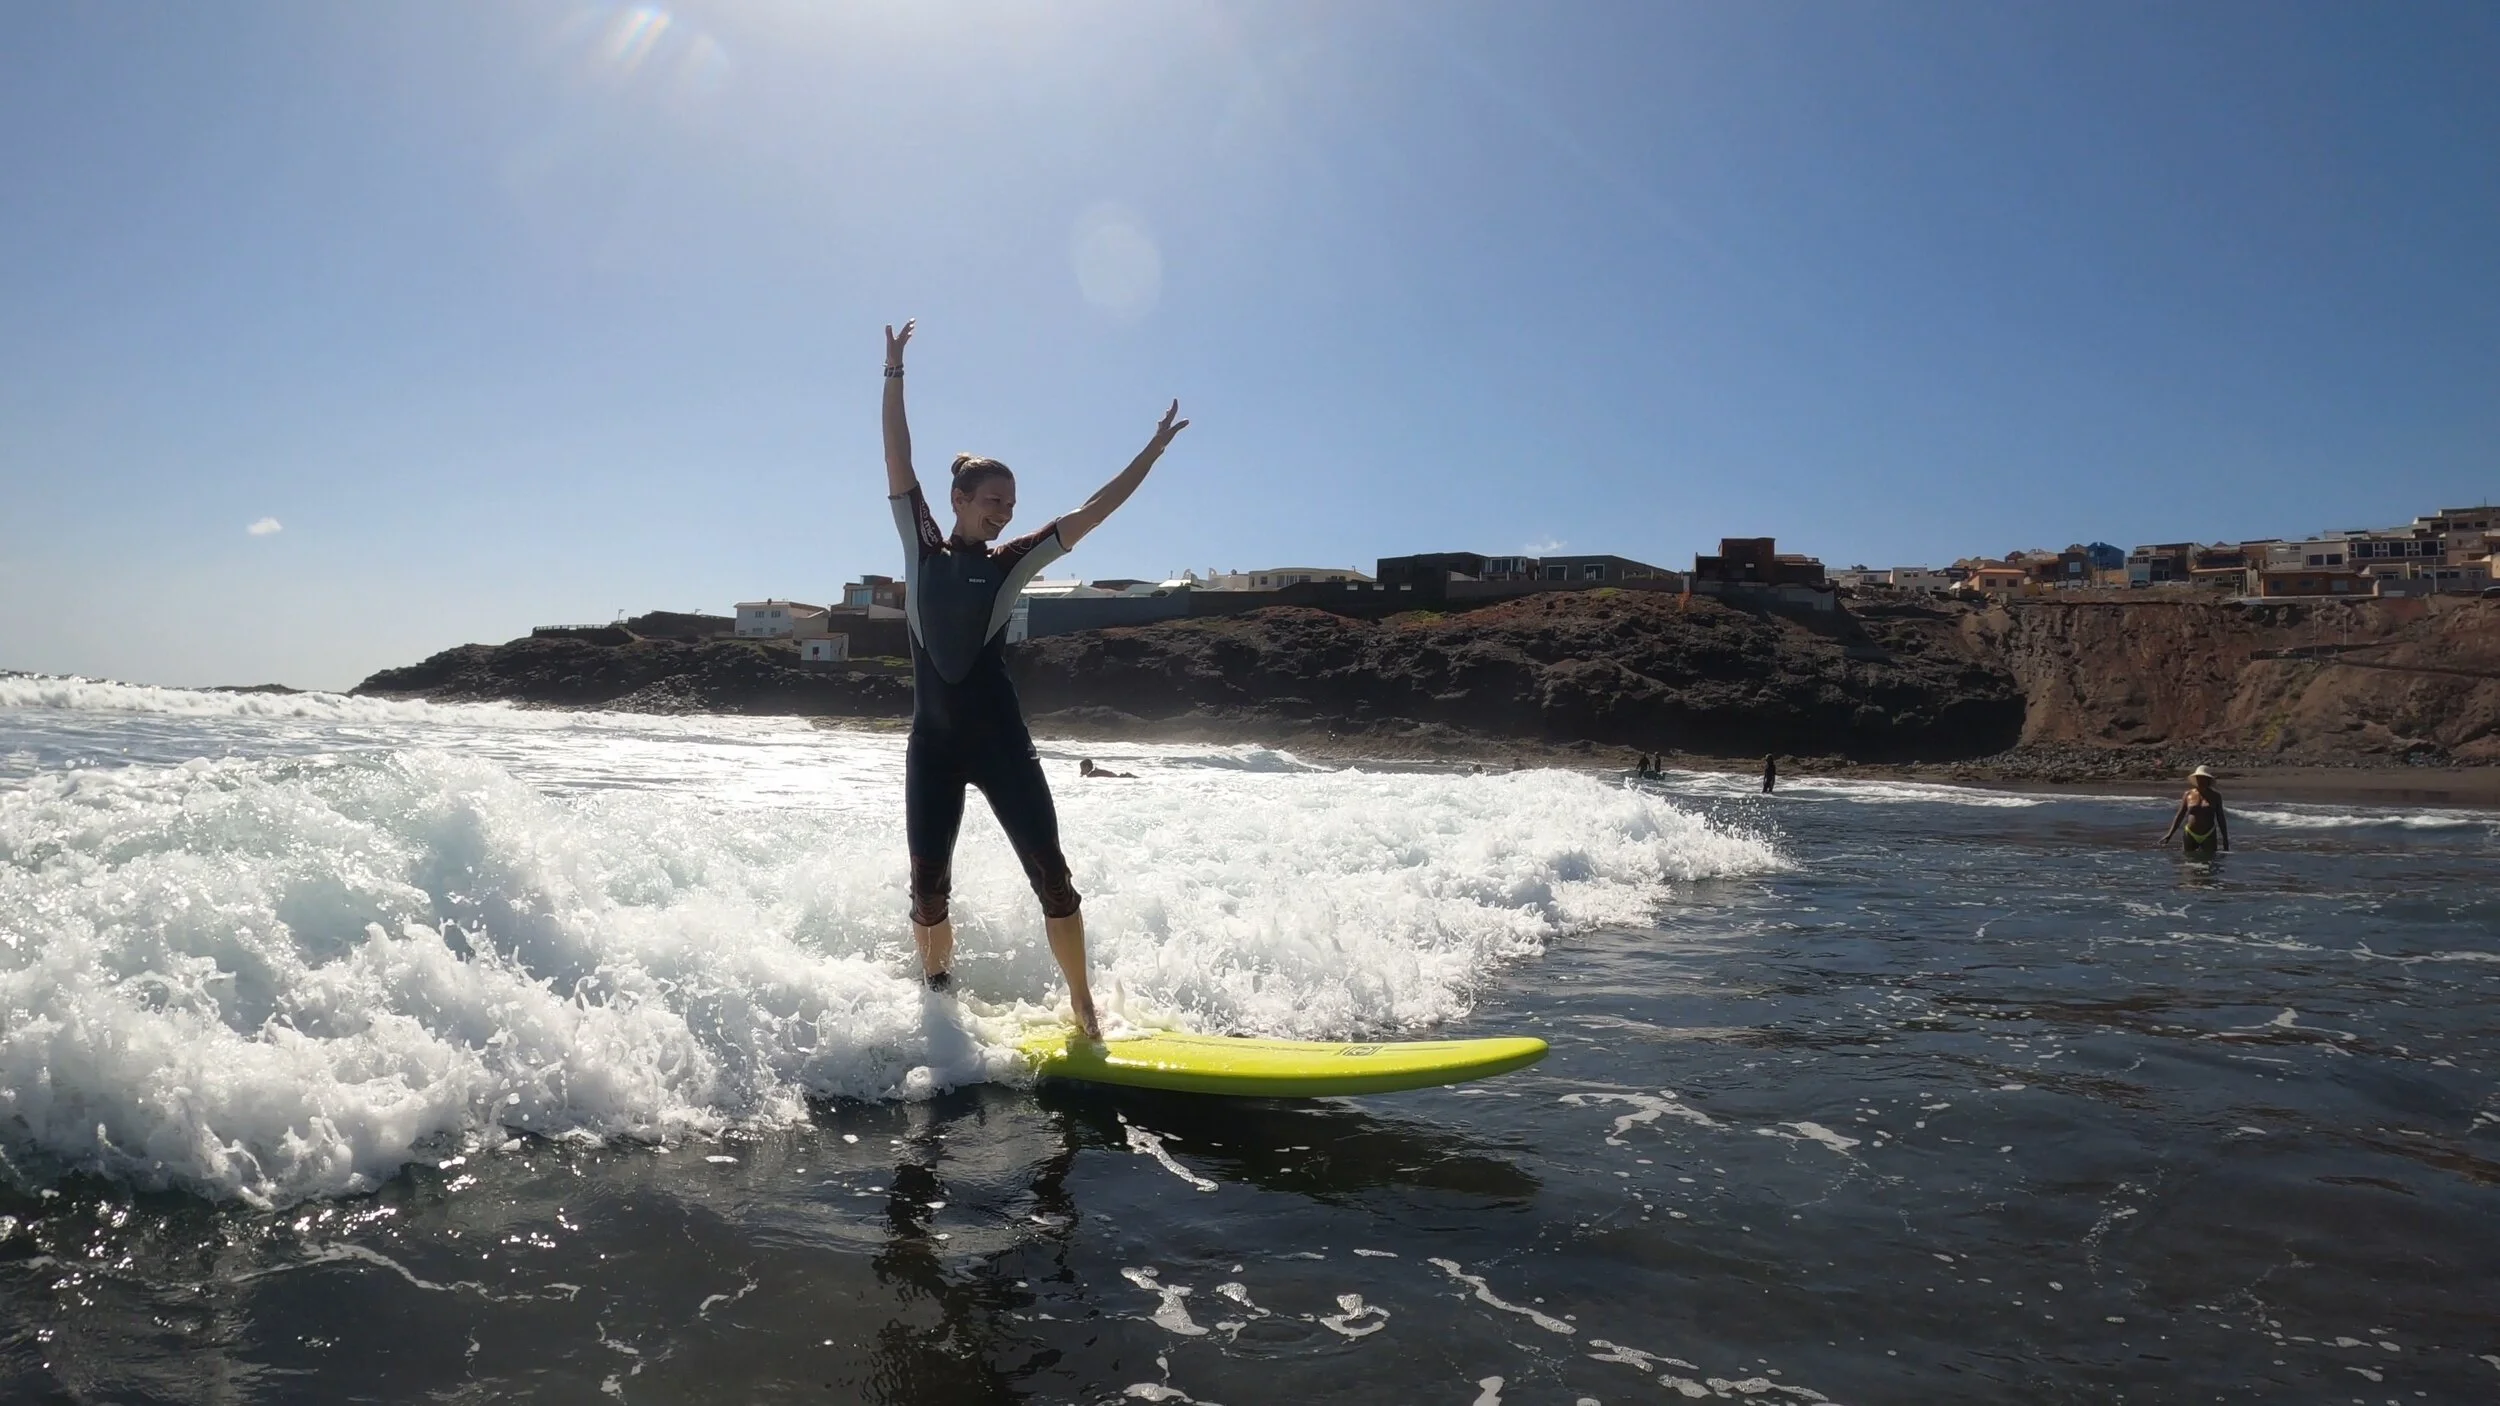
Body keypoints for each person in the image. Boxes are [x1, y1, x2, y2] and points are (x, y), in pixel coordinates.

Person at [881, 318, 1187, 1040]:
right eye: (994, 500)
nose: (1005, 512)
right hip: (932, 750)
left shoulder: (1011, 562)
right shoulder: (921, 547)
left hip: (1002, 747)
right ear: (960, 499)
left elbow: (1093, 512)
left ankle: (1084, 1007)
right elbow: (897, 455)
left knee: (1053, 878)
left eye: (1011, 504)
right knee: (928, 891)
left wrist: (1150, 452)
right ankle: (939, 999)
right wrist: (894, 373)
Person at [2160, 764, 2230, 858]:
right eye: (2198, 778)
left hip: (2208, 834)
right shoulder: (2188, 794)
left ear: (2208, 780)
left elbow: (2220, 818)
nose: (2200, 780)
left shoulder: (2215, 796)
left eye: (2203, 778)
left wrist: (2225, 839)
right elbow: (2180, 815)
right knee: (2188, 861)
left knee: (2210, 862)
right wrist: (2170, 834)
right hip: (2190, 833)